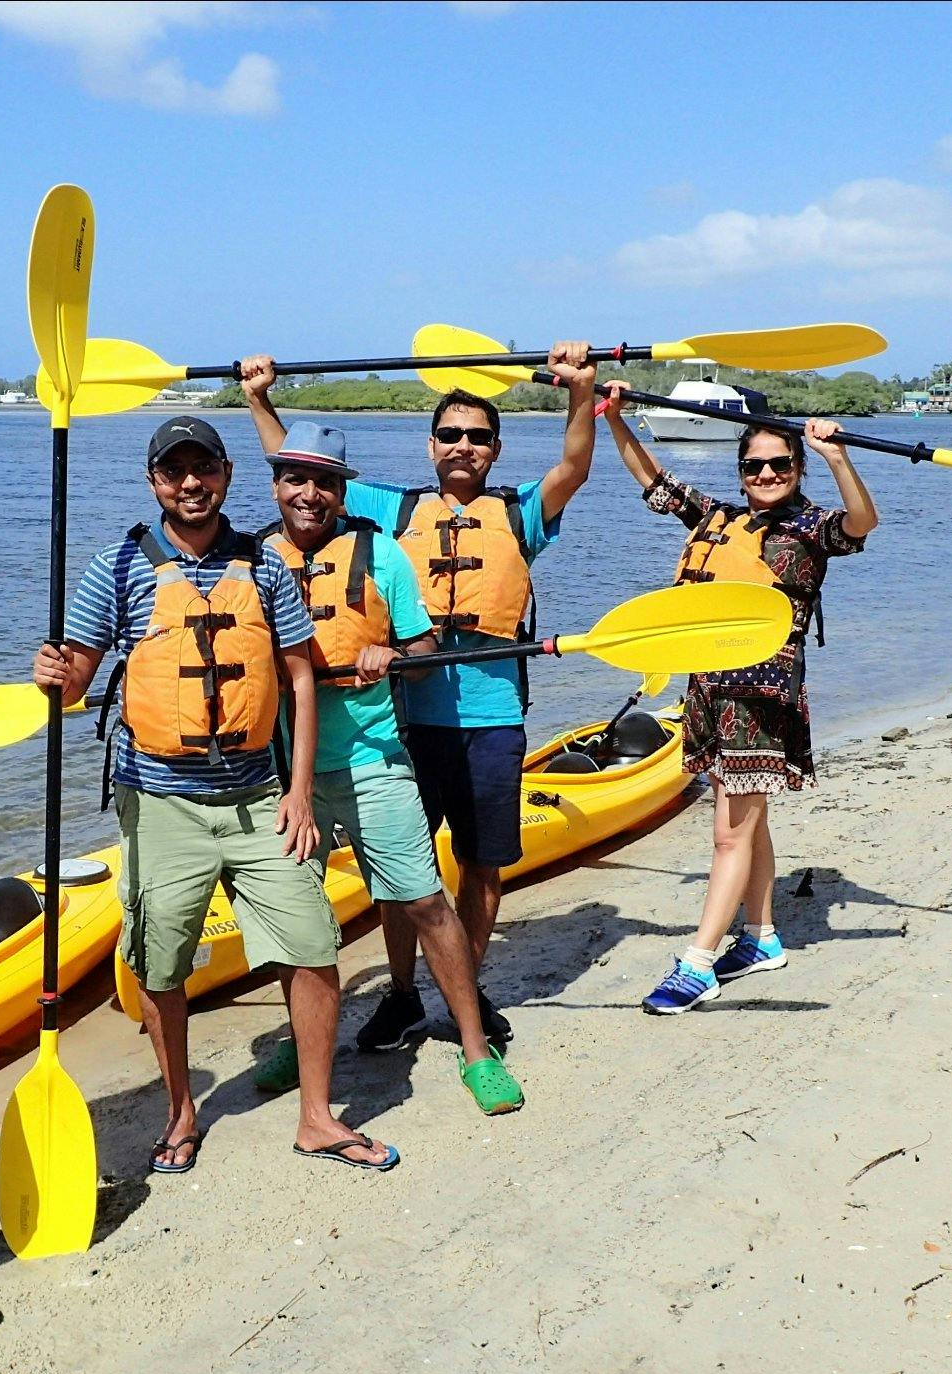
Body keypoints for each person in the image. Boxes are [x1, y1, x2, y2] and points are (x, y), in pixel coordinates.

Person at [31, 416, 399, 1173]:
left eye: (205, 470)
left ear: (227, 475)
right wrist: (55, 677)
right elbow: (76, 685)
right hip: (161, 804)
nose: (191, 483)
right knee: (160, 965)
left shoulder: (263, 566)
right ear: (154, 481)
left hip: (259, 795)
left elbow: (299, 673)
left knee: (313, 945)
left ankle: (317, 1118)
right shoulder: (118, 567)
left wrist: (298, 791)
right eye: (175, 472)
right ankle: (181, 1111)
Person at [241, 348, 598, 1054]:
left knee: (481, 862)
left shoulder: (520, 511)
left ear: (495, 450)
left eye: (478, 437)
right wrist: (258, 398)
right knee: (399, 875)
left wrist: (581, 393)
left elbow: (574, 469)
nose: (463, 447)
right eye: (451, 435)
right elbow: (302, 475)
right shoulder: (389, 508)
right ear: (431, 445)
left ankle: (466, 981)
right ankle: (404, 995)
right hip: (406, 728)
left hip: (492, 720)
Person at [237, 419, 524, 1115]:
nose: (309, 493)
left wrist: (394, 655)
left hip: (372, 758)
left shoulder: (382, 554)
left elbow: (424, 643)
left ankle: (474, 1047)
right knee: (293, 920)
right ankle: (300, 1041)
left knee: (425, 901)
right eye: (295, 479)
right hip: (281, 776)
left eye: (324, 482)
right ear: (275, 485)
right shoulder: (247, 560)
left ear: (344, 492)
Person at [599, 384, 877, 1013]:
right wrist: (612, 416)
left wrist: (837, 457)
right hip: (707, 693)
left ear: (797, 469)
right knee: (750, 825)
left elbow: (862, 523)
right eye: (754, 465)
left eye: (781, 463)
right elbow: (653, 479)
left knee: (728, 837)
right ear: (741, 471)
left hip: (762, 700)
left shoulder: (811, 528)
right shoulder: (717, 519)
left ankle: (698, 962)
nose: (768, 474)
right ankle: (761, 937)